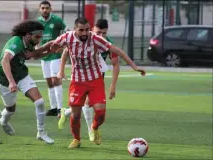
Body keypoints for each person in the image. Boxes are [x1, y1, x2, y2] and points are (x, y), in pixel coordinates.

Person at [26, 17, 146, 148]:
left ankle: (94, 128)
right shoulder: (67, 37)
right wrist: (37, 53)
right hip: (77, 81)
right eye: (81, 30)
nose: (84, 33)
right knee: (76, 115)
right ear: (74, 30)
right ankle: (76, 139)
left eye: (87, 30)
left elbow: (118, 51)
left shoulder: (96, 39)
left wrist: (134, 67)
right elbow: (53, 46)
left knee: (100, 114)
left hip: (95, 80)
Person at [57, 19, 120, 143]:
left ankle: (67, 112)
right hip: (80, 77)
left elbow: (116, 64)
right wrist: (61, 70)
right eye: (98, 32)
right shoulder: (83, 38)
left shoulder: (107, 43)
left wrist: (113, 86)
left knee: (90, 105)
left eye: (104, 33)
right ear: (92, 30)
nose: (101, 36)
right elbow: (65, 52)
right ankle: (90, 130)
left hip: (97, 77)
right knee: (86, 104)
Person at [0, 20, 54, 144]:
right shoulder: (16, 42)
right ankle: (4, 121)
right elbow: (5, 61)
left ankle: (41, 132)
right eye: (37, 36)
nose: (39, 40)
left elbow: (36, 55)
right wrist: (11, 82)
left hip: (22, 75)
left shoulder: (30, 42)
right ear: (28, 34)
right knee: (11, 110)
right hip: (5, 80)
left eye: (40, 37)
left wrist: (51, 50)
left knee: (39, 102)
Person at [38, 0, 67, 117]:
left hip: (55, 54)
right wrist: (36, 49)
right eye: (43, 8)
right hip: (44, 55)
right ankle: (53, 108)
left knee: (56, 80)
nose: (45, 10)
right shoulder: (37, 22)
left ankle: (60, 109)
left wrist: (63, 46)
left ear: (50, 9)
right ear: (39, 9)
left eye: (47, 8)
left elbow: (67, 31)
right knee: (49, 82)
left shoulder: (57, 20)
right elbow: (34, 37)